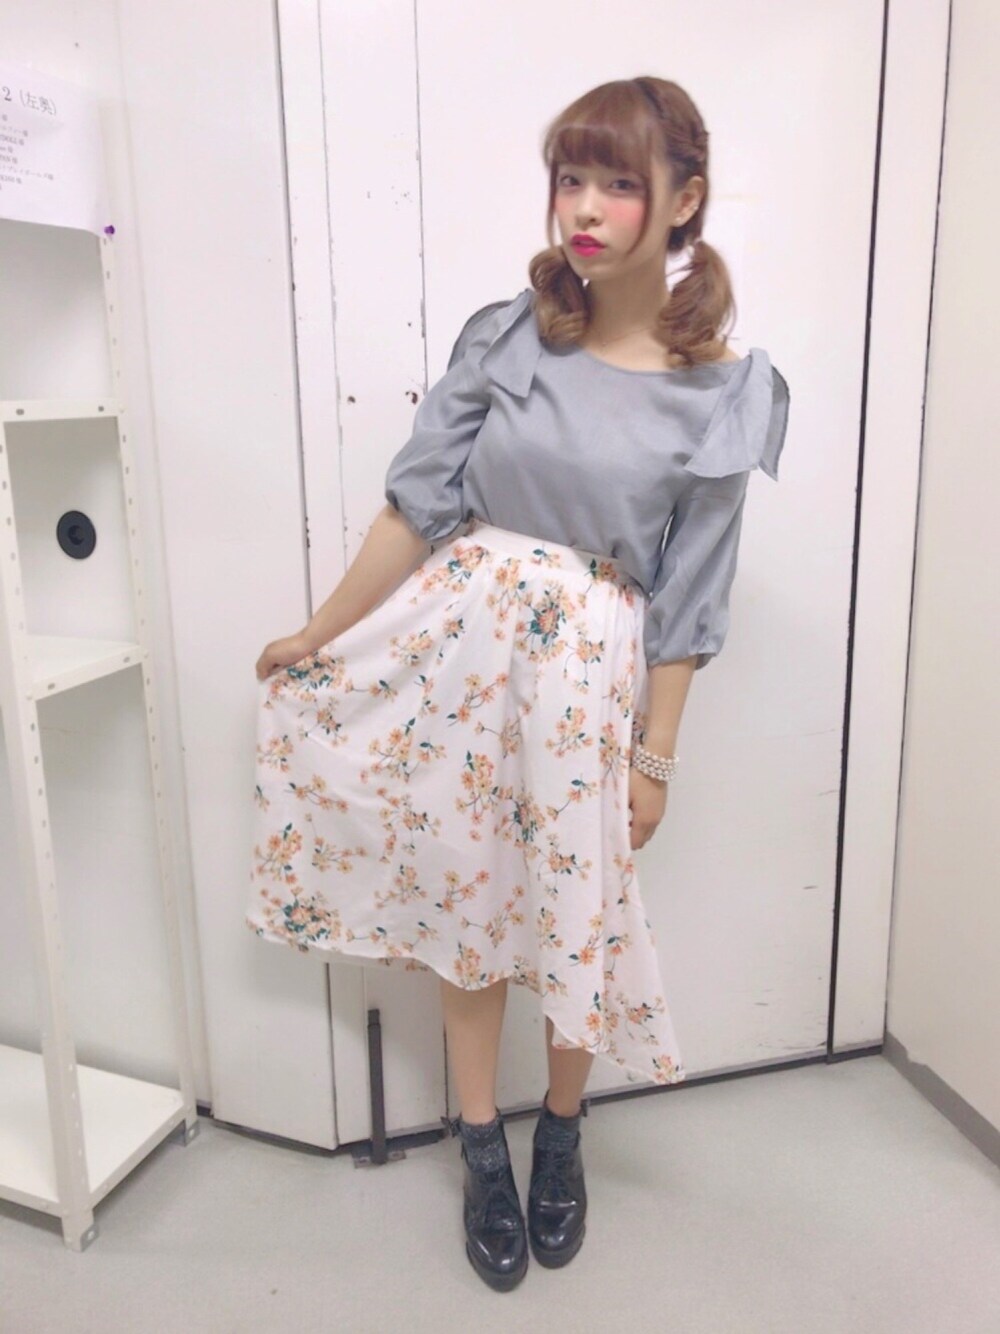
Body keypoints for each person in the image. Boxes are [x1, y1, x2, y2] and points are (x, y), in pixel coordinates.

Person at [247, 75, 789, 1292]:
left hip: (584, 682)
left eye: (619, 182)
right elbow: (416, 506)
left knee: (571, 906)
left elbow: (690, 598)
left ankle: (562, 1131)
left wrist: (656, 756)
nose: (583, 208)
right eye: (570, 178)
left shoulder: (721, 391)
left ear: (684, 200)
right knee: (468, 895)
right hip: (458, 656)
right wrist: (321, 630)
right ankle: (480, 1141)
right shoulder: (508, 335)